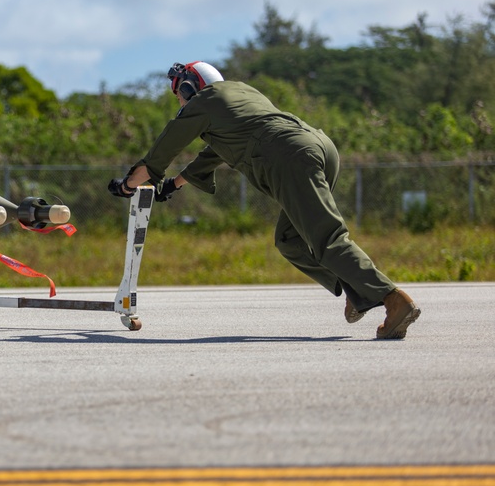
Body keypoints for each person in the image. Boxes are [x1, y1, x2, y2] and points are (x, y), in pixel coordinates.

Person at [108, 61, 421, 339]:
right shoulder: (239, 93)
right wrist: (175, 183)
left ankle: (394, 300)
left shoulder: (203, 101)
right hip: (319, 146)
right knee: (290, 240)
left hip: (290, 156)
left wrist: (128, 184)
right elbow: (215, 152)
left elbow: (161, 152)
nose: (178, 99)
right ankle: (357, 288)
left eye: (179, 92)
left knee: (327, 237)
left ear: (191, 87)